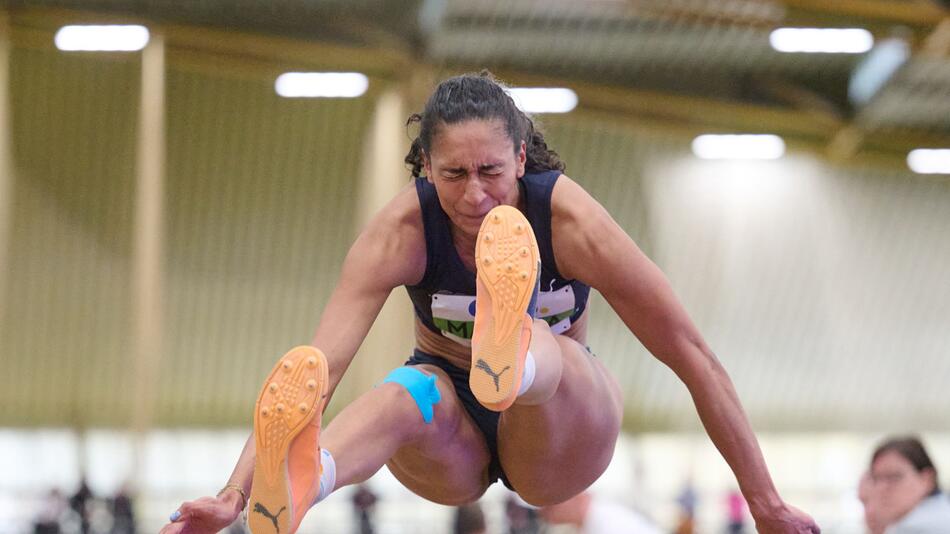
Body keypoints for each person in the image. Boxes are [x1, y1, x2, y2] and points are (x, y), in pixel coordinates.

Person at [160, 71, 819, 534]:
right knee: (402, 392)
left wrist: (764, 502)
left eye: (492, 173)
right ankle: (310, 478)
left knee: (549, 350)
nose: (475, 195)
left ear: (522, 157)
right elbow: (313, 375)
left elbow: (693, 356)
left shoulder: (571, 222)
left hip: (560, 432)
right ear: (424, 168)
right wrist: (233, 496)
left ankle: (516, 350)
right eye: (452, 175)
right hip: (451, 437)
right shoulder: (403, 232)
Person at [859, 436, 950, 533]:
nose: (881, 488)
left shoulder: (916, 528)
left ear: (927, 479)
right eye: (876, 478)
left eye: (893, 477)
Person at [539, 491, 661, 534]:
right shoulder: (589, 522)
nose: (543, 511)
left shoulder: (608, 522)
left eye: (550, 505)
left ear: (578, 497)